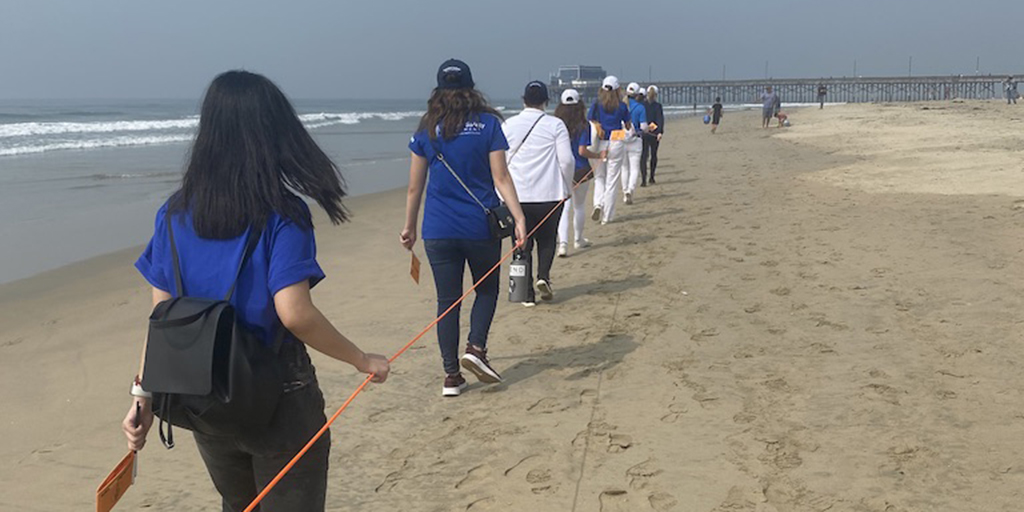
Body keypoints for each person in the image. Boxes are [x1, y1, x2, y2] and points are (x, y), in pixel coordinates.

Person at [123, 70, 392, 512]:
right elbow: (294, 313)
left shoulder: (173, 213)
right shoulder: (283, 215)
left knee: (238, 503)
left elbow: (163, 320)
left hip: (202, 397)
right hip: (278, 394)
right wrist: (362, 360)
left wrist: (143, 397)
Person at [401, 59, 527, 397]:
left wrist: (409, 226)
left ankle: (451, 376)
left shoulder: (428, 127)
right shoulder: (487, 125)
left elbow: (415, 187)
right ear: (471, 87)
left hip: (438, 229)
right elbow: (501, 177)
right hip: (479, 226)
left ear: (439, 90)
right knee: (485, 290)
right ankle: (476, 348)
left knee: (447, 301)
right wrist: (518, 217)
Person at [502, 81, 574, 304]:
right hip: (549, 193)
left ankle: (526, 293)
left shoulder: (508, 125)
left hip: (517, 195)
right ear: (546, 101)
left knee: (522, 242)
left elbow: (501, 161)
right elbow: (566, 160)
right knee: (547, 239)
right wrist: (566, 185)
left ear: (523, 100)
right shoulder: (555, 125)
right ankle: (543, 276)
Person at [555, 89, 601, 258]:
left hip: (561, 169)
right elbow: (582, 151)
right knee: (579, 206)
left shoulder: (555, 123)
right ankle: (578, 239)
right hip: (581, 168)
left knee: (564, 207)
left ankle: (563, 244)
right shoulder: (584, 125)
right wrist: (598, 155)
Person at [588, 76, 632, 225]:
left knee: (599, 177)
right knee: (612, 180)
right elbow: (627, 125)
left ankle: (598, 204)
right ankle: (607, 217)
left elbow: (590, 120)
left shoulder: (596, 103)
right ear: (617, 89)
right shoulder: (621, 105)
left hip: (599, 142)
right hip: (616, 141)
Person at [621, 82, 649, 205]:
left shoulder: (620, 106)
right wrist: (648, 129)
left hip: (621, 140)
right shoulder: (640, 108)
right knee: (634, 168)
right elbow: (643, 127)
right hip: (636, 140)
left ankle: (624, 191)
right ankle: (630, 190)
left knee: (624, 168)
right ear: (637, 95)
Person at [641, 85, 664, 186]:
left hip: (644, 132)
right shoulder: (658, 106)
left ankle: (643, 179)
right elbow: (660, 119)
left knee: (644, 156)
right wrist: (660, 132)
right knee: (653, 155)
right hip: (654, 133)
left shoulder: (642, 105)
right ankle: (651, 177)